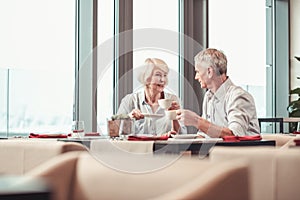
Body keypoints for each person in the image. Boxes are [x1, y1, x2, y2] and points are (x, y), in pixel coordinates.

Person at [176, 48, 260, 138]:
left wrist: (197, 121)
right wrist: (176, 138)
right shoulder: (209, 96)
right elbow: (203, 135)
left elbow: (234, 136)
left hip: (240, 151)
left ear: (209, 71)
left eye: (197, 72)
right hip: (215, 150)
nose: (196, 77)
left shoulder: (238, 96)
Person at [117, 58, 186, 135]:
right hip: (138, 147)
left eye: (165, 75)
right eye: (158, 75)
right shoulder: (129, 100)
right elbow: (117, 132)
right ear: (146, 77)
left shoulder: (173, 99)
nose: (163, 80)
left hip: (166, 146)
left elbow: (182, 134)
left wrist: (174, 118)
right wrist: (129, 118)